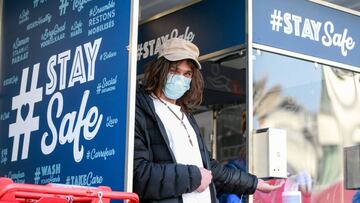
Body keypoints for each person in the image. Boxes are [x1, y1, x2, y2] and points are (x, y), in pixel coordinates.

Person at [133, 38, 284, 203]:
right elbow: (138, 175)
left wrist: (254, 183)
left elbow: (211, 169)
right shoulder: (141, 110)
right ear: (159, 70)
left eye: (187, 74)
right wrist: (194, 177)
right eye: (174, 70)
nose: (180, 78)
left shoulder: (185, 116)